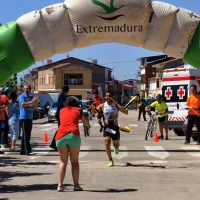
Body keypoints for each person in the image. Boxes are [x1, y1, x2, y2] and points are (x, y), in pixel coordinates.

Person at [55, 97, 89, 191]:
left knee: (63, 161)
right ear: (76, 104)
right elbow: (86, 123)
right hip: (73, 135)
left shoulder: (62, 110)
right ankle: (76, 185)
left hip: (61, 135)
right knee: (74, 161)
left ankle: (60, 185)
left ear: (66, 104)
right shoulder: (78, 110)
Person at [93, 90, 128, 167]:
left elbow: (126, 113)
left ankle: (116, 147)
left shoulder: (116, 105)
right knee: (107, 143)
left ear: (112, 97)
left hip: (115, 128)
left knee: (116, 145)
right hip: (107, 127)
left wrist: (123, 109)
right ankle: (110, 160)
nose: (108, 97)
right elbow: (95, 112)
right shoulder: (103, 105)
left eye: (109, 96)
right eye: (107, 96)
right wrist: (94, 108)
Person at [19, 85, 39, 155]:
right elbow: (23, 104)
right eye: (26, 88)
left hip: (30, 117)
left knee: (28, 134)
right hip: (24, 117)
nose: (28, 90)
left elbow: (36, 106)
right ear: (24, 89)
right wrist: (32, 102)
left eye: (29, 88)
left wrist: (35, 101)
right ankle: (26, 150)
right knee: (25, 134)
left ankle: (24, 150)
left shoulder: (31, 97)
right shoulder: (22, 96)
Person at [50, 85, 69, 150]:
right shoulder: (63, 96)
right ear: (67, 91)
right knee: (60, 129)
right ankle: (54, 144)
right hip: (60, 114)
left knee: (61, 129)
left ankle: (57, 143)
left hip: (59, 114)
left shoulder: (61, 95)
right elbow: (65, 105)